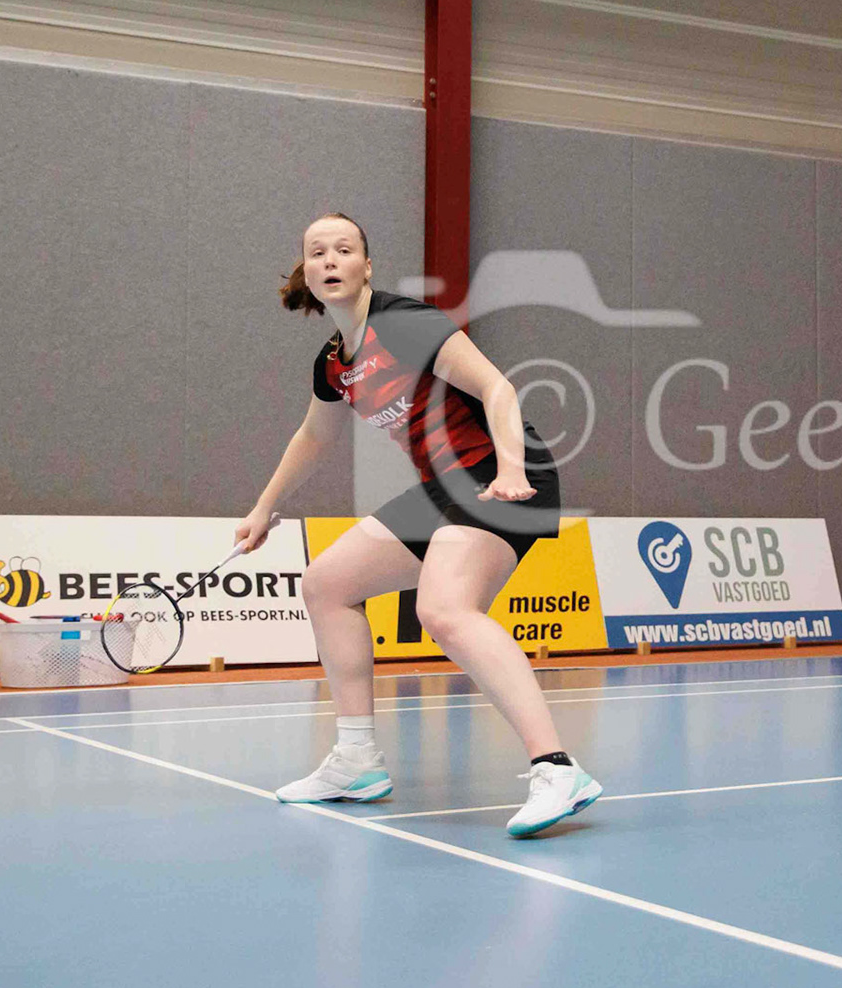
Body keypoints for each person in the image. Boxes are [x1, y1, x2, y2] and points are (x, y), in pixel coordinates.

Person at [237, 213, 602, 837]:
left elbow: (497, 388)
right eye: (317, 252)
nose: (330, 259)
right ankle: (356, 760)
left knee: (445, 609)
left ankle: (557, 768)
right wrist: (263, 506)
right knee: (326, 584)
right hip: (444, 489)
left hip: (501, 473)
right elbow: (314, 436)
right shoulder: (333, 363)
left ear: (367, 267)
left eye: (344, 249)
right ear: (306, 272)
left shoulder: (402, 323)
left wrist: (511, 467)